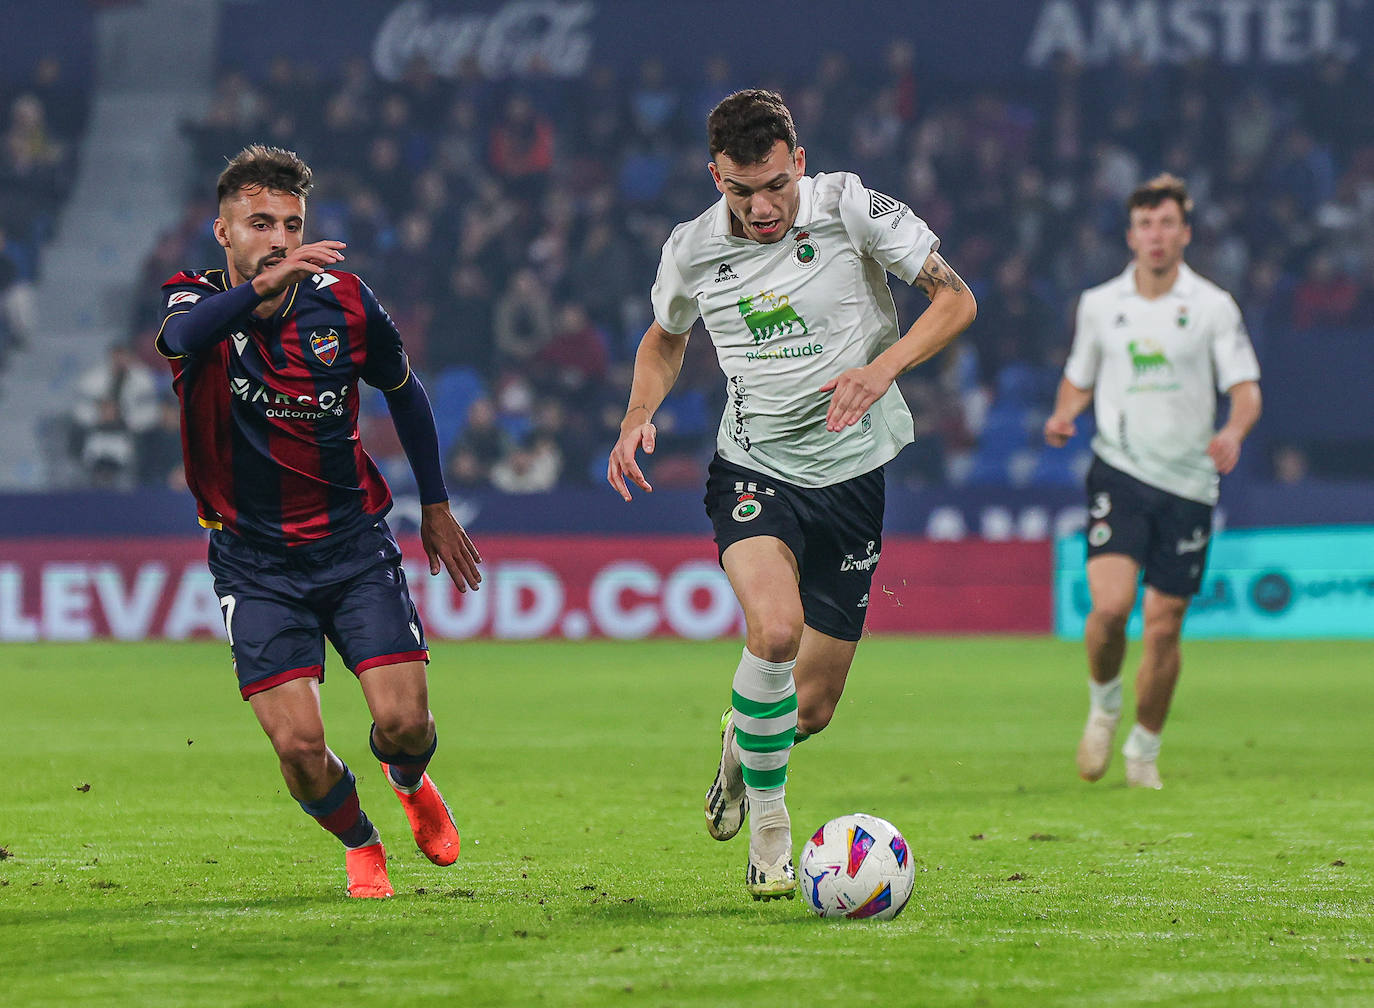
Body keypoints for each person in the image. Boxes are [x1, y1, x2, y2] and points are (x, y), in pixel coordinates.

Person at [607, 90, 976, 900]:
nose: (762, 205)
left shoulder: (852, 208)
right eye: (742, 191)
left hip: (853, 479)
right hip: (753, 469)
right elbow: (665, 340)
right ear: (716, 178)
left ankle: (741, 755)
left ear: (798, 164)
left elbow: (956, 298)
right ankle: (770, 838)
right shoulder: (693, 249)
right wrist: (639, 412)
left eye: (775, 184)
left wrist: (881, 371)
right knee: (773, 631)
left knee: (808, 709)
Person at [155, 145, 483, 898]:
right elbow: (181, 341)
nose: (278, 237)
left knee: (407, 726)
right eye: (259, 222)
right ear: (223, 233)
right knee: (300, 748)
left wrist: (433, 504)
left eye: (292, 223)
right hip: (252, 560)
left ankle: (409, 783)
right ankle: (362, 842)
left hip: (353, 544)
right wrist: (263, 288)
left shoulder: (344, 302)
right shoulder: (191, 300)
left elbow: (405, 391)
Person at [1043, 173, 1261, 790]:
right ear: (1131, 234)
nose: (1156, 235)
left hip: (1191, 482)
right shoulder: (1100, 304)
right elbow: (1078, 376)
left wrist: (1235, 431)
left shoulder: (1214, 307)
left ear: (1185, 232)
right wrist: (1064, 412)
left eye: (1167, 223)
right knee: (1111, 608)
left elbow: (1245, 389)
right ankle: (1105, 704)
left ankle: (1144, 749)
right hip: (1121, 469)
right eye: (1145, 224)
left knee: (1164, 624)